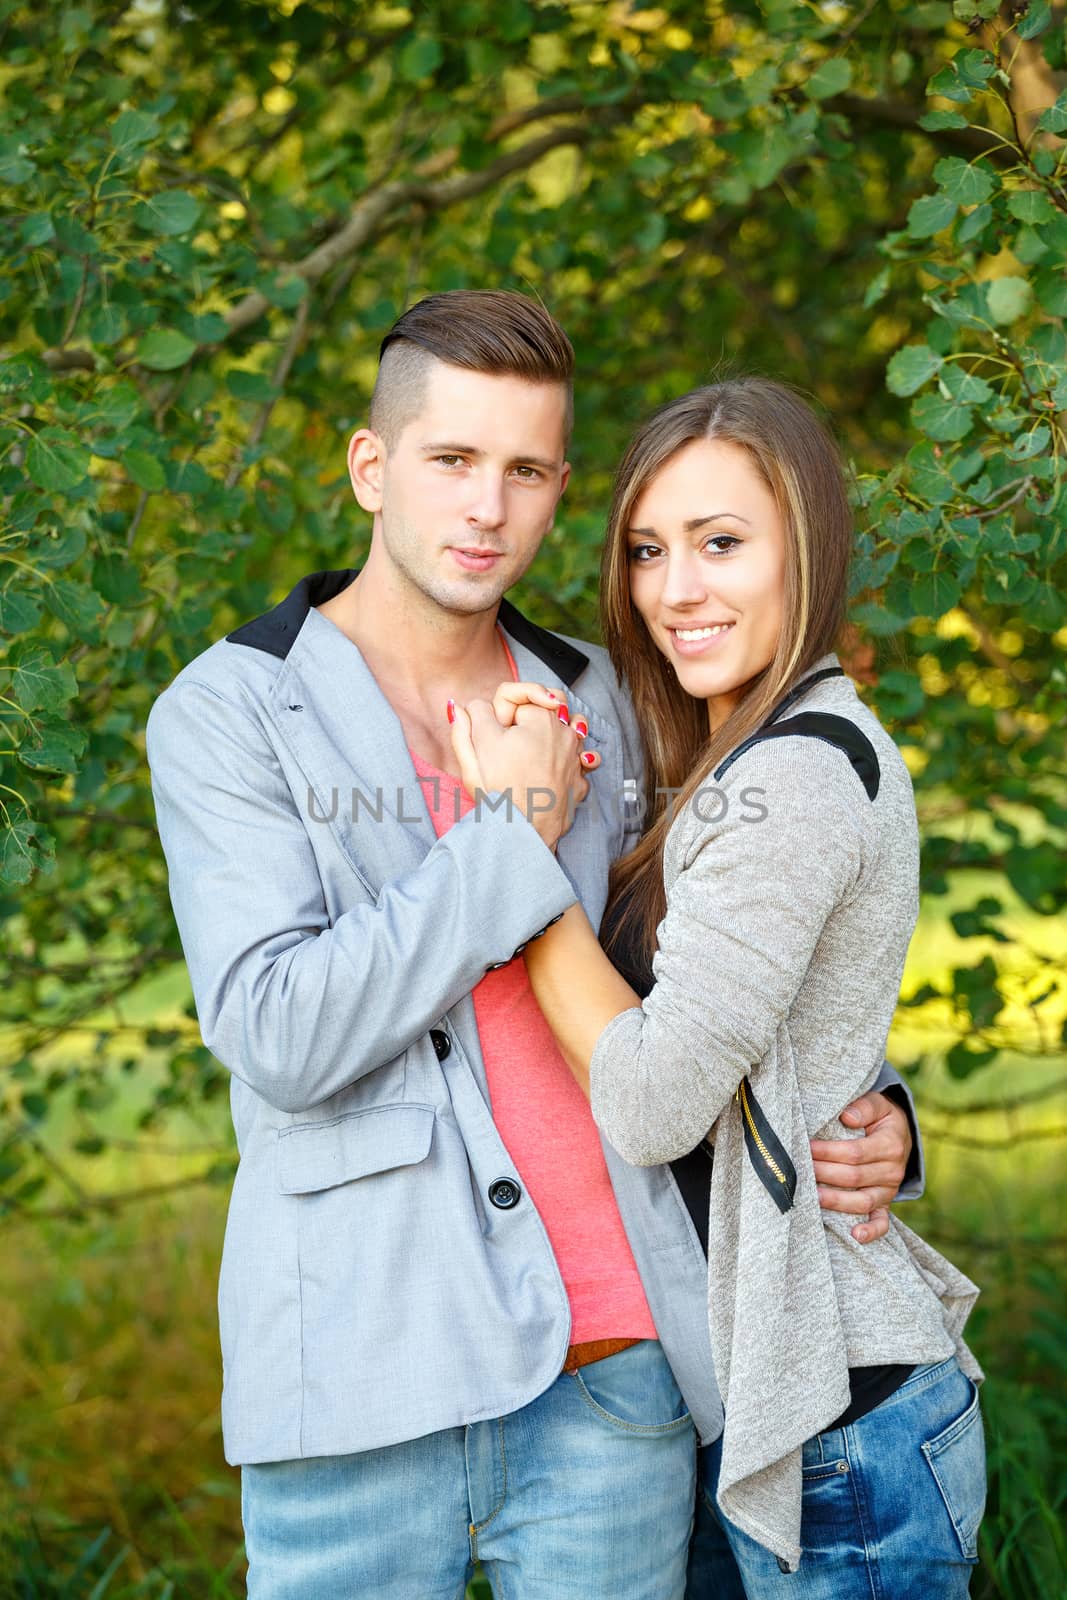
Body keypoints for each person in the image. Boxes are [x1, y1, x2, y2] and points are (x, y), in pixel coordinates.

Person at [147, 294, 923, 1600]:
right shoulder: (234, 711)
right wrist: (508, 836)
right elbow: (280, 1033)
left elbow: (736, 952)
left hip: (612, 1370)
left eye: (524, 472)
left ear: (561, 488)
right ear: (370, 467)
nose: (485, 508)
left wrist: (874, 1109)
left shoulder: (612, 698)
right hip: (357, 1369)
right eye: (451, 460)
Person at [450, 375, 986, 1598]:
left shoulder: (787, 776)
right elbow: (787, 1030)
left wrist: (518, 851)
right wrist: (883, 1112)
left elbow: (649, 1103)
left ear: (808, 545)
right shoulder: (713, 753)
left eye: (721, 543)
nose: (675, 589)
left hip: (839, 1430)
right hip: (765, 1400)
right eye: (648, 549)